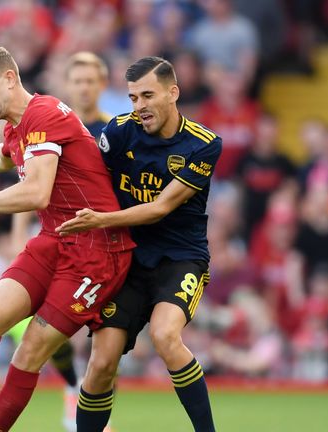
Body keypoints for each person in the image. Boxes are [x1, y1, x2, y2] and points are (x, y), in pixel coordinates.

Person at [0, 45, 134, 432]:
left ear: (10, 77)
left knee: (30, 350)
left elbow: (36, 193)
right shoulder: (18, 123)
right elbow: (7, 155)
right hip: (55, 239)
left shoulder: (42, 114)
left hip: (97, 250)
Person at [56, 56, 222, 432]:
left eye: (148, 95)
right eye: (132, 98)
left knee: (165, 335)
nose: (139, 106)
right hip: (126, 260)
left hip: (181, 258)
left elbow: (160, 208)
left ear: (172, 93)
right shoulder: (118, 133)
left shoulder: (204, 145)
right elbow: (78, 173)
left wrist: (101, 220)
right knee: (100, 364)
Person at [8, 51, 114, 432]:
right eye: (78, 80)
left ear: (102, 85)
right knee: (49, 330)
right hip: (56, 241)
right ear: (68, 85)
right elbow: (29, 178)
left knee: (106, 343)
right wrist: (19, 235)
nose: (84, 87)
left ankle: (91, 413)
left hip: (102, 246)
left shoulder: (114, 131)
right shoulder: (45, 123)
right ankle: (72, 386)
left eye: (91, 80)